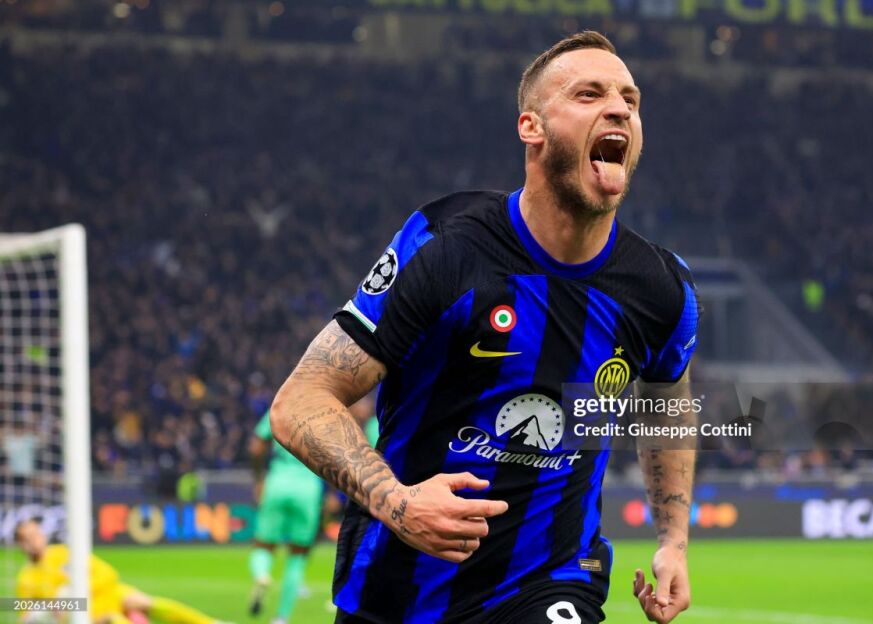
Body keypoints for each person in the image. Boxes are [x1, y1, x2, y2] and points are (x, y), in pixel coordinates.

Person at [270, 31, 698, 624]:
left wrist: (673, 541)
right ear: (531, 128)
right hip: (398, 593)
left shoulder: (660, 290)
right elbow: (300, 401)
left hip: (550, 584)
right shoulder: (446, 247)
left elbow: (666, 405)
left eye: (630, 99)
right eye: (589, 94)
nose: (620, 108)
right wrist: (397, 502)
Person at [14, 520, 226, 624]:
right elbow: (26, 616)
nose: (35, 540)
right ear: (21, 545)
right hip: (83, 615)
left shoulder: (63, 553)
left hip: (106, 594)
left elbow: (107, 573)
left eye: (36, 533)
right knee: (111, 619)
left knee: (145, 602)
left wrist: (82, 590)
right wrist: (52, 609)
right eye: (28, 538)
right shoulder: (26, 579)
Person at [247, 409, 326, 623]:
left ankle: (262, 575)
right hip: (308, 486)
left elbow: (256, 448)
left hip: (278, 481)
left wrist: (258, 480)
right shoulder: (324, 410)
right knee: (297, 556)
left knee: (264, 546)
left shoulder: (281, 406)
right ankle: (281, 617)